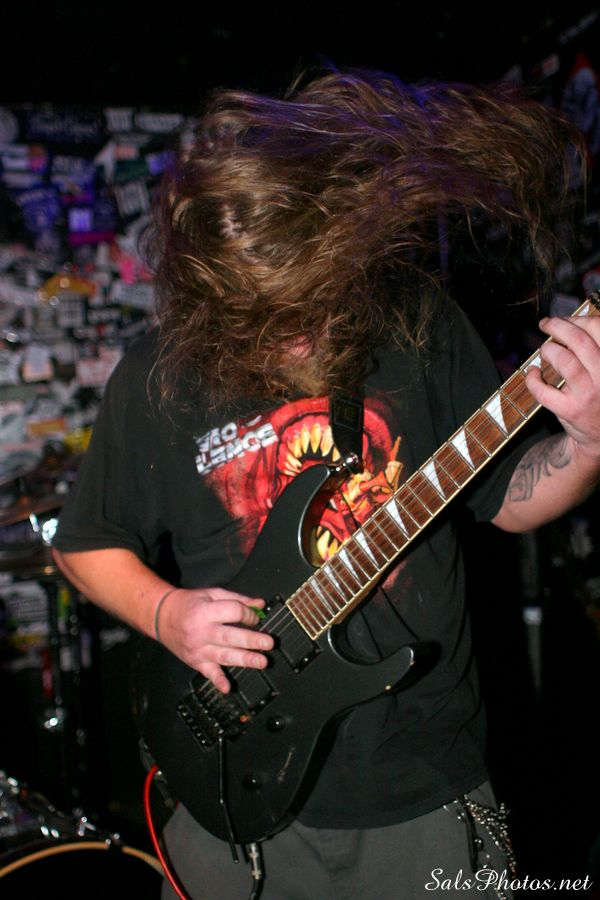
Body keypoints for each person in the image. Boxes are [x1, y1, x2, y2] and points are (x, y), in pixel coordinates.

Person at [51, 69, 600, 899]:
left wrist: (588, 443)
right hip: (227, 786)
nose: (297, 338)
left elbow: (506, 500)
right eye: (264, 319)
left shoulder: (415, 321)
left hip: (422, 785)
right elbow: (83, 545)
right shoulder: (159, 374)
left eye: (313, 302)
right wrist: (167, 615)